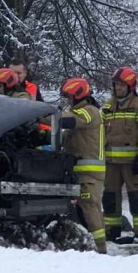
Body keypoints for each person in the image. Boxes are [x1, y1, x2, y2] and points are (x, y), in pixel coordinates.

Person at [101, 67, 138, 241]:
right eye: (116, 85)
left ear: (130, 86)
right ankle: (112, 229)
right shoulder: (108, 106)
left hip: (132, 163)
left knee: (136, 197)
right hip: (110, 163)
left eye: (122, 85)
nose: (118, 88)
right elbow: (99, 130)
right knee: (110, 197)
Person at [59, 77, 107, 253]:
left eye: (69, 97)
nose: (68, 101)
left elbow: (70, 121)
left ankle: (100, 249)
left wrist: (45, 115)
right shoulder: (79, 112)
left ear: (78, 95)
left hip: (90, 173)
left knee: (90, 208)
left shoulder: (89, 112)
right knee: (84, 208)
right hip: (81, 172)